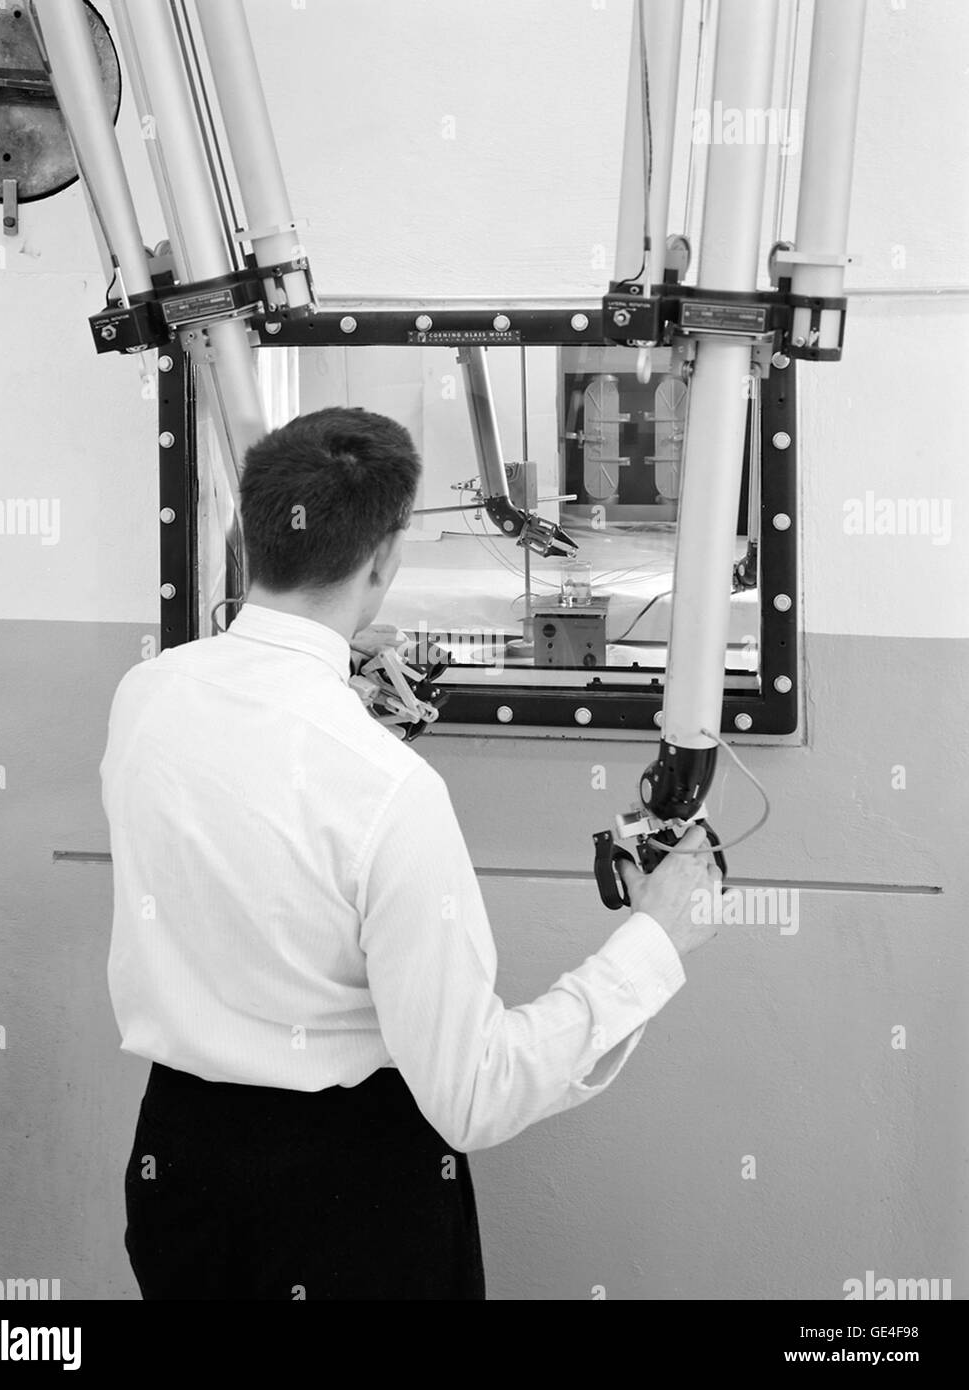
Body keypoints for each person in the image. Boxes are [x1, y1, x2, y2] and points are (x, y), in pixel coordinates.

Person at [100, 405, 720, 1301]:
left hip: (178, 1172)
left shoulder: (144, 698)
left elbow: (245, 810)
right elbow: (474, 1095)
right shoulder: (390, 792)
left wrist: (340, 721)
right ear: (387, 557)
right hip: (346, 1204)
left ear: (252, 532)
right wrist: (655, 942)